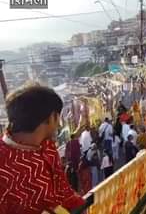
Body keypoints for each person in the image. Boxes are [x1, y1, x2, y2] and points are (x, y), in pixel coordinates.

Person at [0, 85, 84, 214]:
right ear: (51, 117)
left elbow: (64, 192)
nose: (59, 124)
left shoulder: (48, 148)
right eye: (58, 117)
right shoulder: (4, 165)